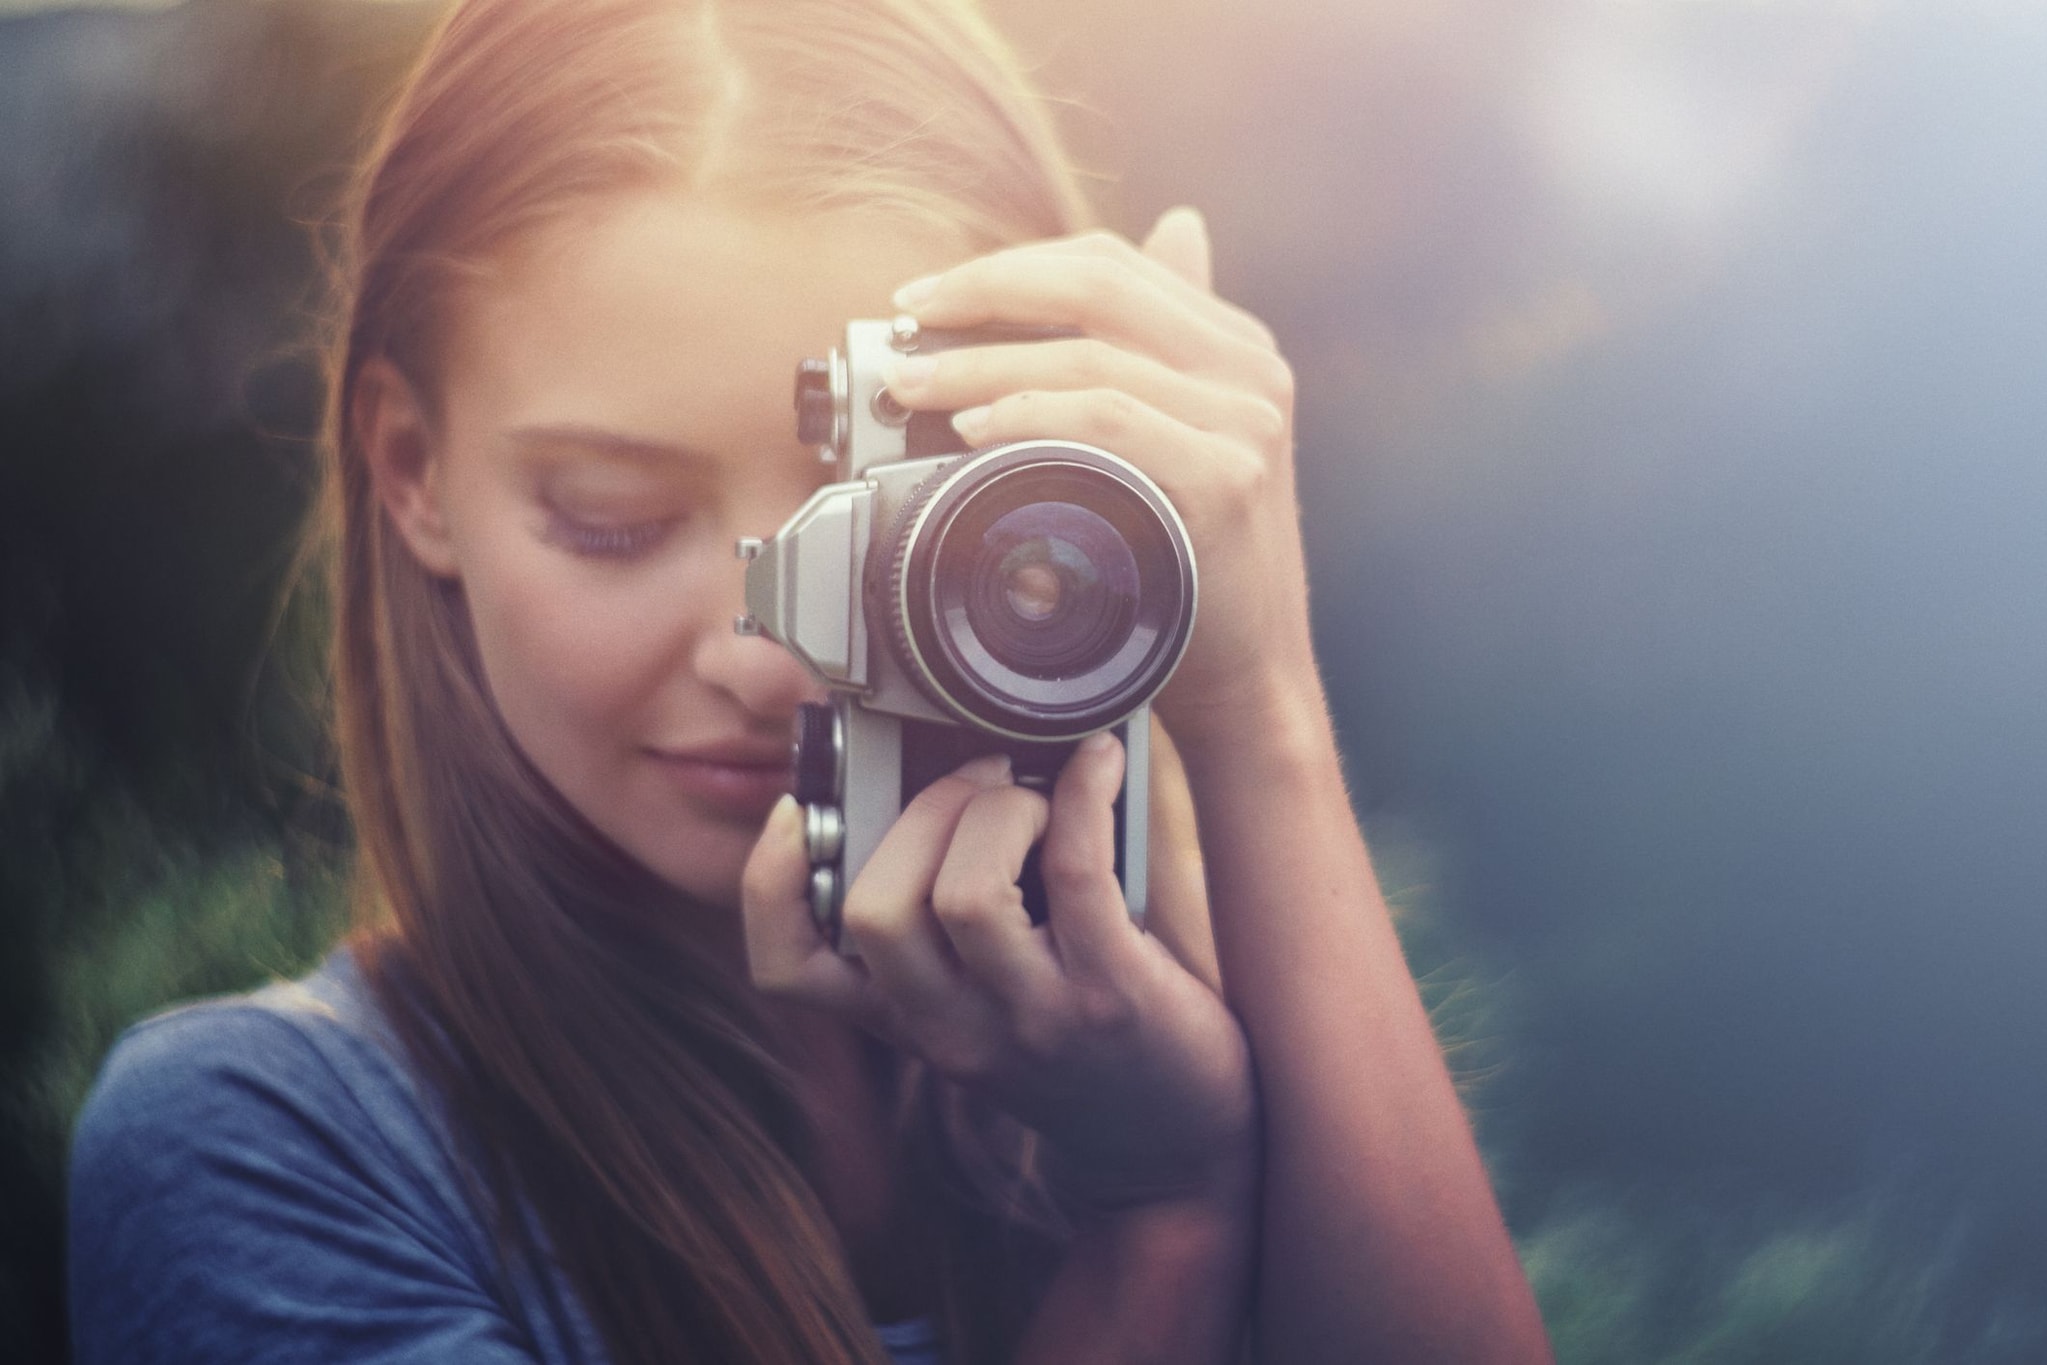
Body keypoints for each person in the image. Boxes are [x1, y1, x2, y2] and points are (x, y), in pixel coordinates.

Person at [67, 1, 1552, 1361]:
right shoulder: (272, 1149)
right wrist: (1162, 1218)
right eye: (614, 518)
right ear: (414, 474)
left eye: (896, 518)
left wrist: (1256, 698)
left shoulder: (1161, 1038)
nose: (775, 654)